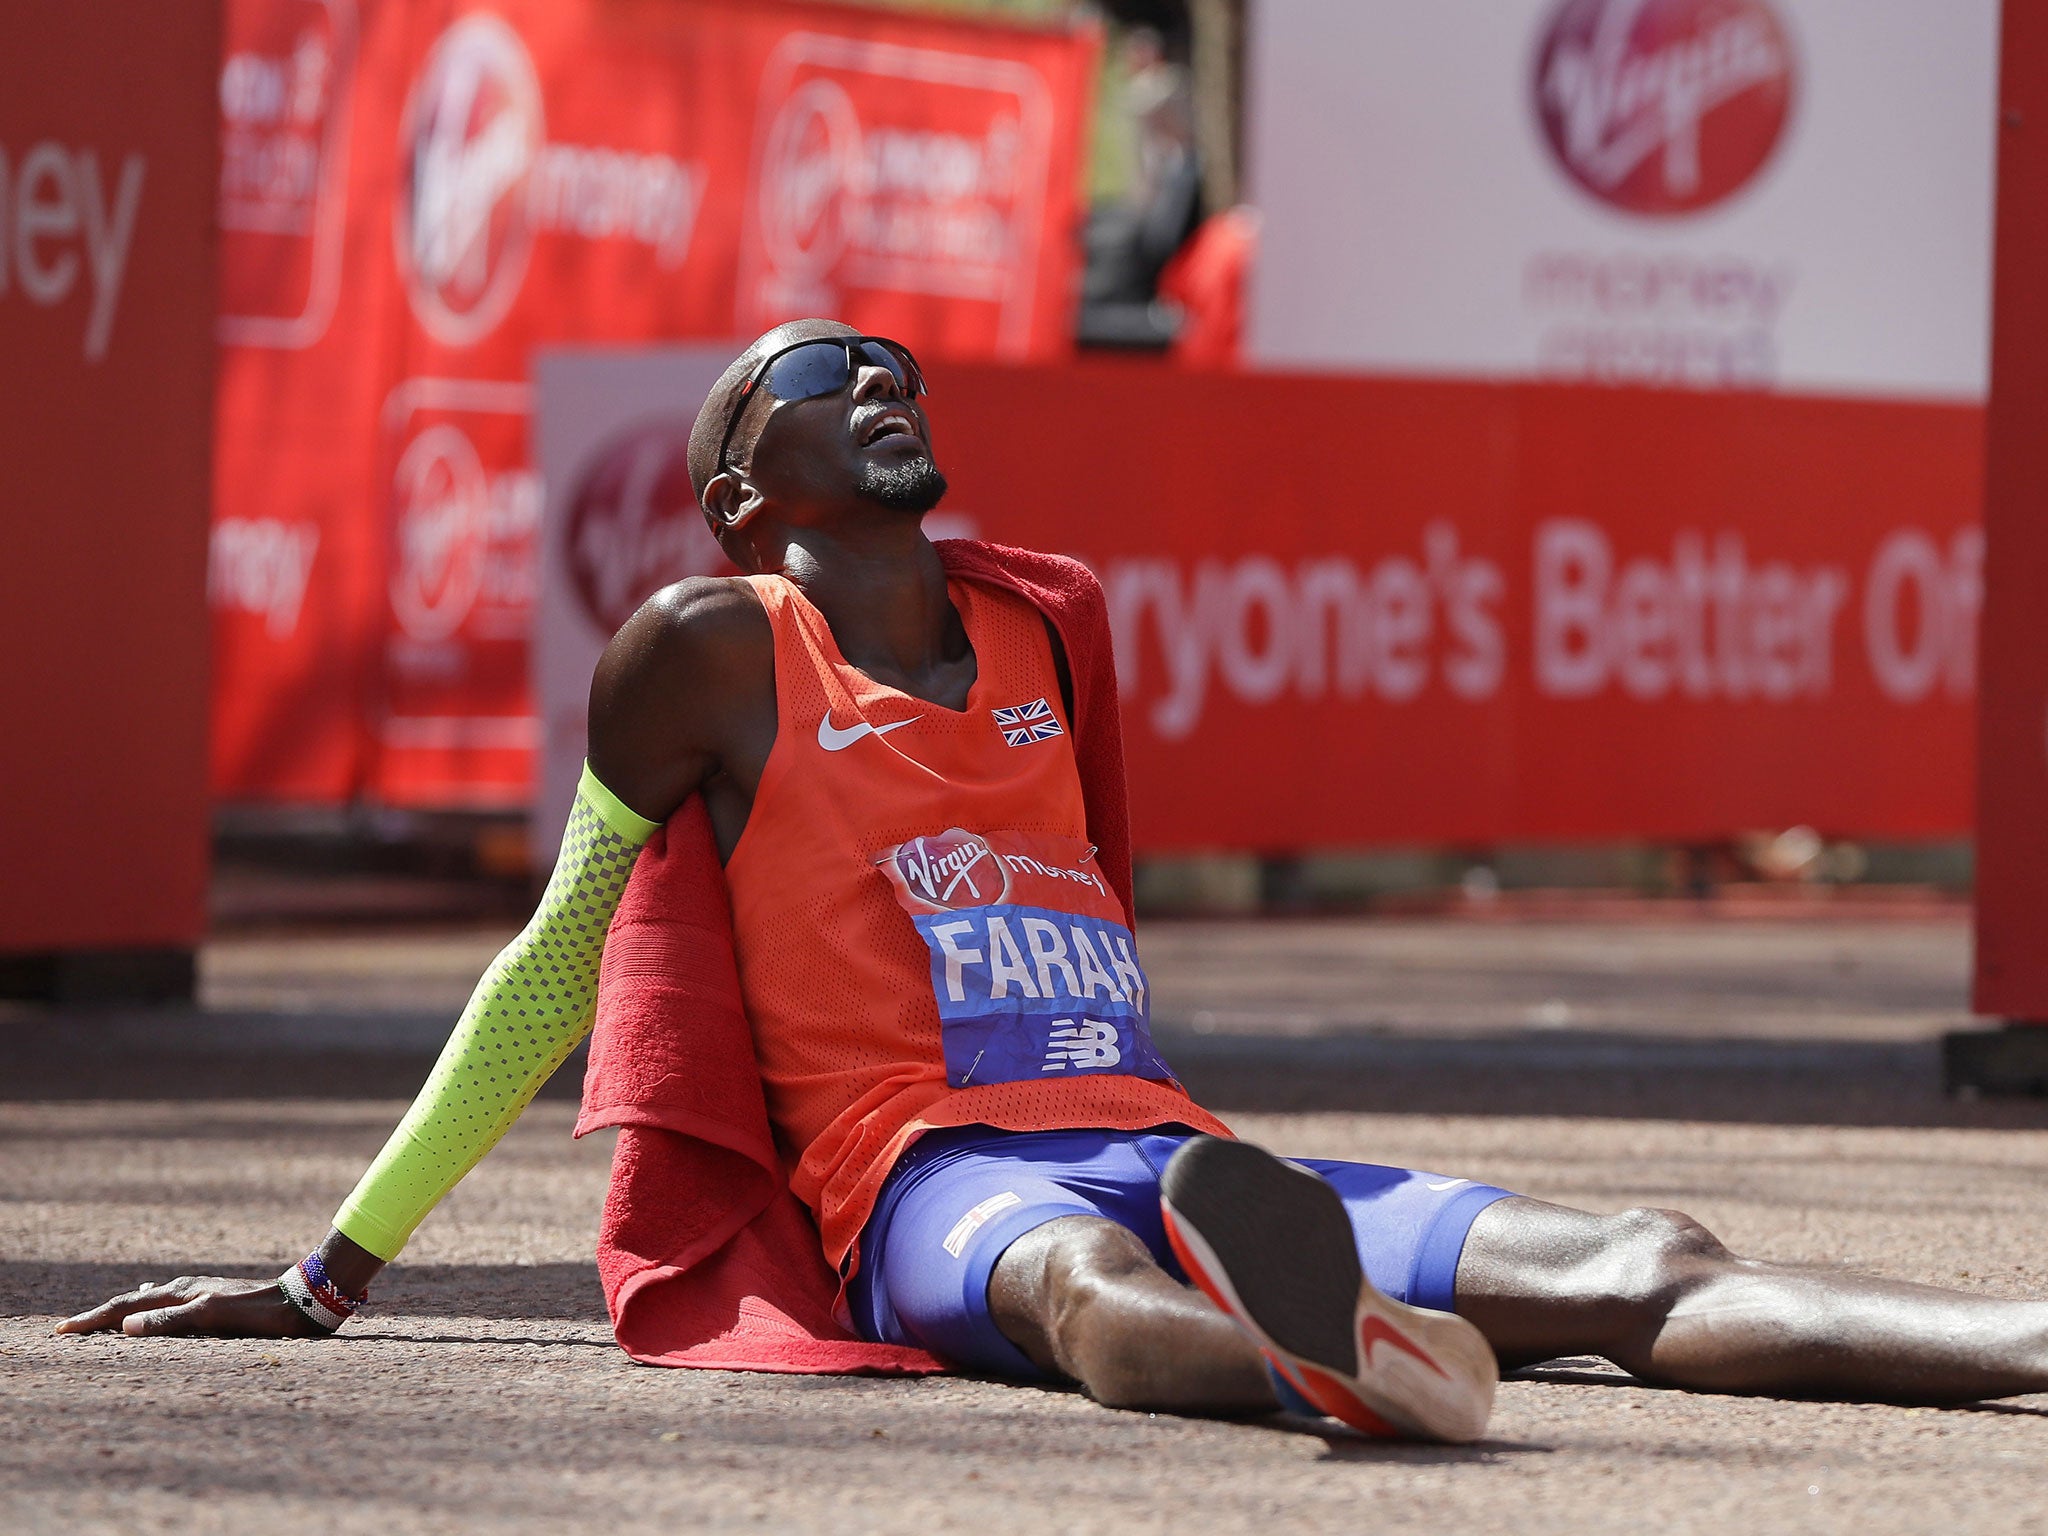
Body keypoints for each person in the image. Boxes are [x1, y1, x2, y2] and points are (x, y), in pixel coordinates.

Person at [61, 321, 2048, 1441]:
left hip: (1165, 1132)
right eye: (825, 378)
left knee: (1647, 1255)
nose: (884, 377)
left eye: (899, 363)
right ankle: (1330, 1361)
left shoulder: (1045, 634)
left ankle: (2009, 1338)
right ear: (744, 489)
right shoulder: (710, 648)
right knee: (1084, 1292)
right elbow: (558, 957)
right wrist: (328, 1276)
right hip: (930, 1177)